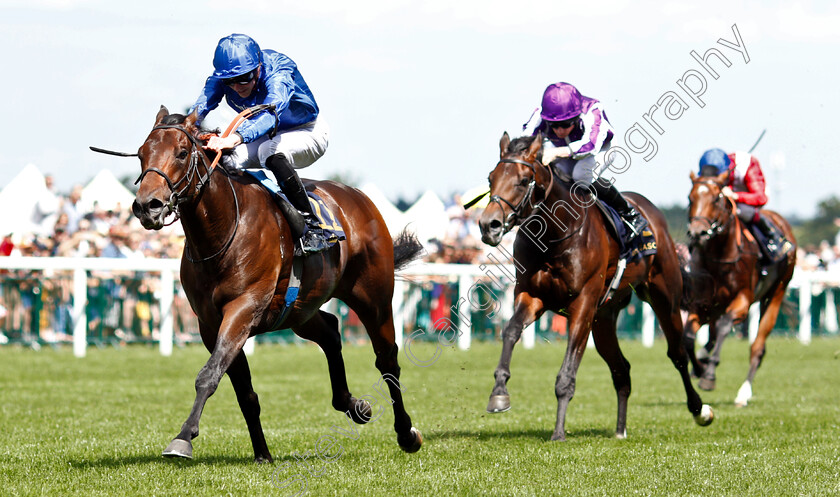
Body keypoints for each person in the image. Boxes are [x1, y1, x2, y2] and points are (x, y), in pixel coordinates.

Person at [189, 33, 330, 254]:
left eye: (244, 78)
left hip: (307, 130)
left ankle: (313, 226)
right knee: (222, 158)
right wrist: (185, 128)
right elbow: (201, 106)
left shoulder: (279, 71)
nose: (237, 86)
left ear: (258, 67)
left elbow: (269, 115)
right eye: (229, 81)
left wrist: (234, 138)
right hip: (264, 135)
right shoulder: (226, 76)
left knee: (268, 150)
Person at [522, 82, 647, 242]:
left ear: (576, 116)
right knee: (552, 176)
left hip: (601, 148)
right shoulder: (541, 113)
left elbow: (590, 144)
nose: (560, 130)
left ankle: (629, 213)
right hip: (565, 149)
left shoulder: (592, 110)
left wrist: (555, 152)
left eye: (566, 124)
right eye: (554, 125)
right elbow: (524, 140)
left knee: (580, 175)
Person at [697, 148, 787, 262]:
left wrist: (735, 196)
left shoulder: (747, 166)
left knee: (744, 212)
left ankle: (772, 239)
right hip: (725, 202)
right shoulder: (711, 165)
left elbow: (761, 198)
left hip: (747, 201)